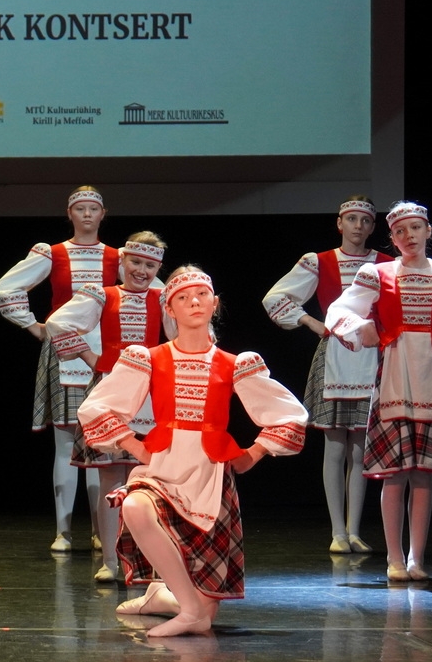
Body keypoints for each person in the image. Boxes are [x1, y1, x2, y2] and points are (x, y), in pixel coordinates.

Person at [77, 267, 308, 637]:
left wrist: (255, 452)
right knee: (135, 506)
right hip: (164, 467)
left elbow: (290, 413)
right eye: (183, 298)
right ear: (170, 309)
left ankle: (165, 598)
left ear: (214, 304)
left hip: (209, 475)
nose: (194, 302)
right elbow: (96, 407)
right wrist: (133, 445)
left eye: (201, 295)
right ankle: (187, 609)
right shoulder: (149, 358)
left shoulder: (234, 363)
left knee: (208, 608)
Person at [325, 202, 432, 583]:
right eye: (400, 231)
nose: (409, 236)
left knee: (423, 476)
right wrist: (362, 328)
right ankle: (393, 558)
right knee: (395, 473)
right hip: (394, 375)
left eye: (415, 228)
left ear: (427, 231)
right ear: (392, 238)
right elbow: (339, 311)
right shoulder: (378, 274)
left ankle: (416, 558)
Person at [0, 187, 121, 552]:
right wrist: (34, 326)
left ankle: (101, 531)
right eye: (80, 209)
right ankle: (63, 532)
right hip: (64, 352)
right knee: (65, 442)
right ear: (70, 213)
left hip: (105, 354)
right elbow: (6, 287)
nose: (86, 214)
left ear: (103, 214)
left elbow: (153, 294)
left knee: (99, 441)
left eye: (93, 209)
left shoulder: (119, 257)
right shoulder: (54, 253)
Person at [262, 197, 392, 553]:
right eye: (351, 219)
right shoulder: (319, 261)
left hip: (372, 356)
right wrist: (311, 322)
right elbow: (276, 298)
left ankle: (354, 530)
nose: (357, 226)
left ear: (372, 226)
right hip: (335, 355)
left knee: (361, 449)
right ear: (339, 223)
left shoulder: (386, 263)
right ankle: (337, 532)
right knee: (335, 446)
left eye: (364, 221)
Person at [45, 231, 174, 582]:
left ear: (157, 269)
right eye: (136, 262)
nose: (141, 271)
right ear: (123, 262)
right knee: (109, 478)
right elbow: (58, 322)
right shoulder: (103, 294)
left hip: (150, 396)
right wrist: (92, 357)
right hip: (110, 391)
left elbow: (181, 338)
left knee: (147, 481)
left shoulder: (163, 298)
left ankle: (145, 561)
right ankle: (110, 562)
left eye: (150, 265)